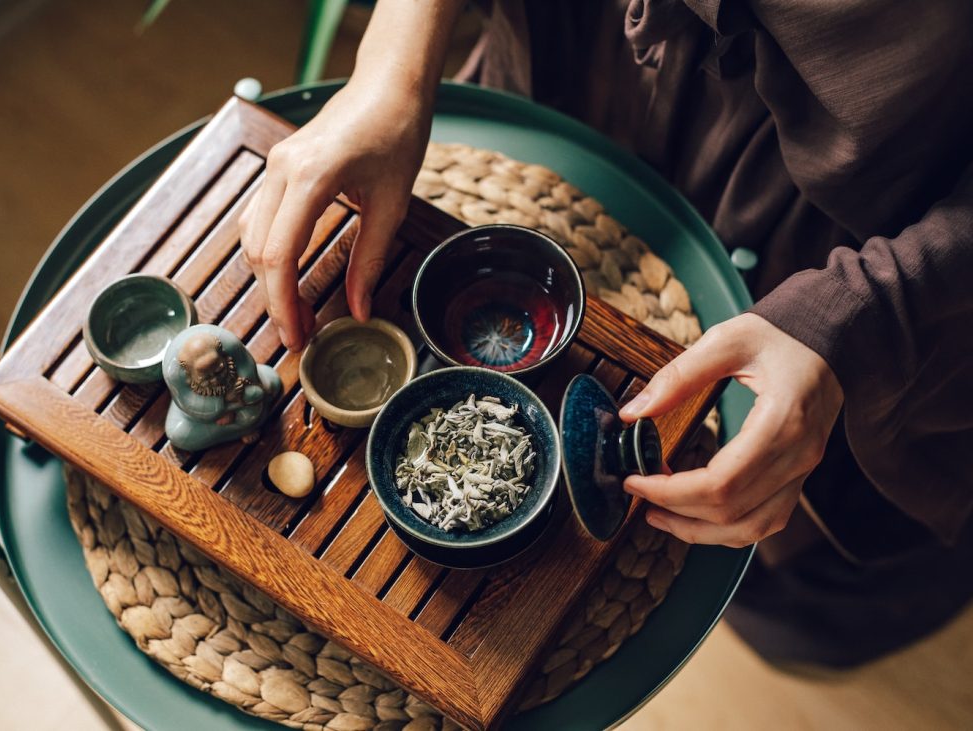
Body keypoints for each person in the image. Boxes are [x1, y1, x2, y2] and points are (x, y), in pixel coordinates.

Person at [239, 0, 973, 666]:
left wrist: (859, 313)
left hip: (875, 239)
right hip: (571, 74)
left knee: (796, 595)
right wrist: (391, 68)